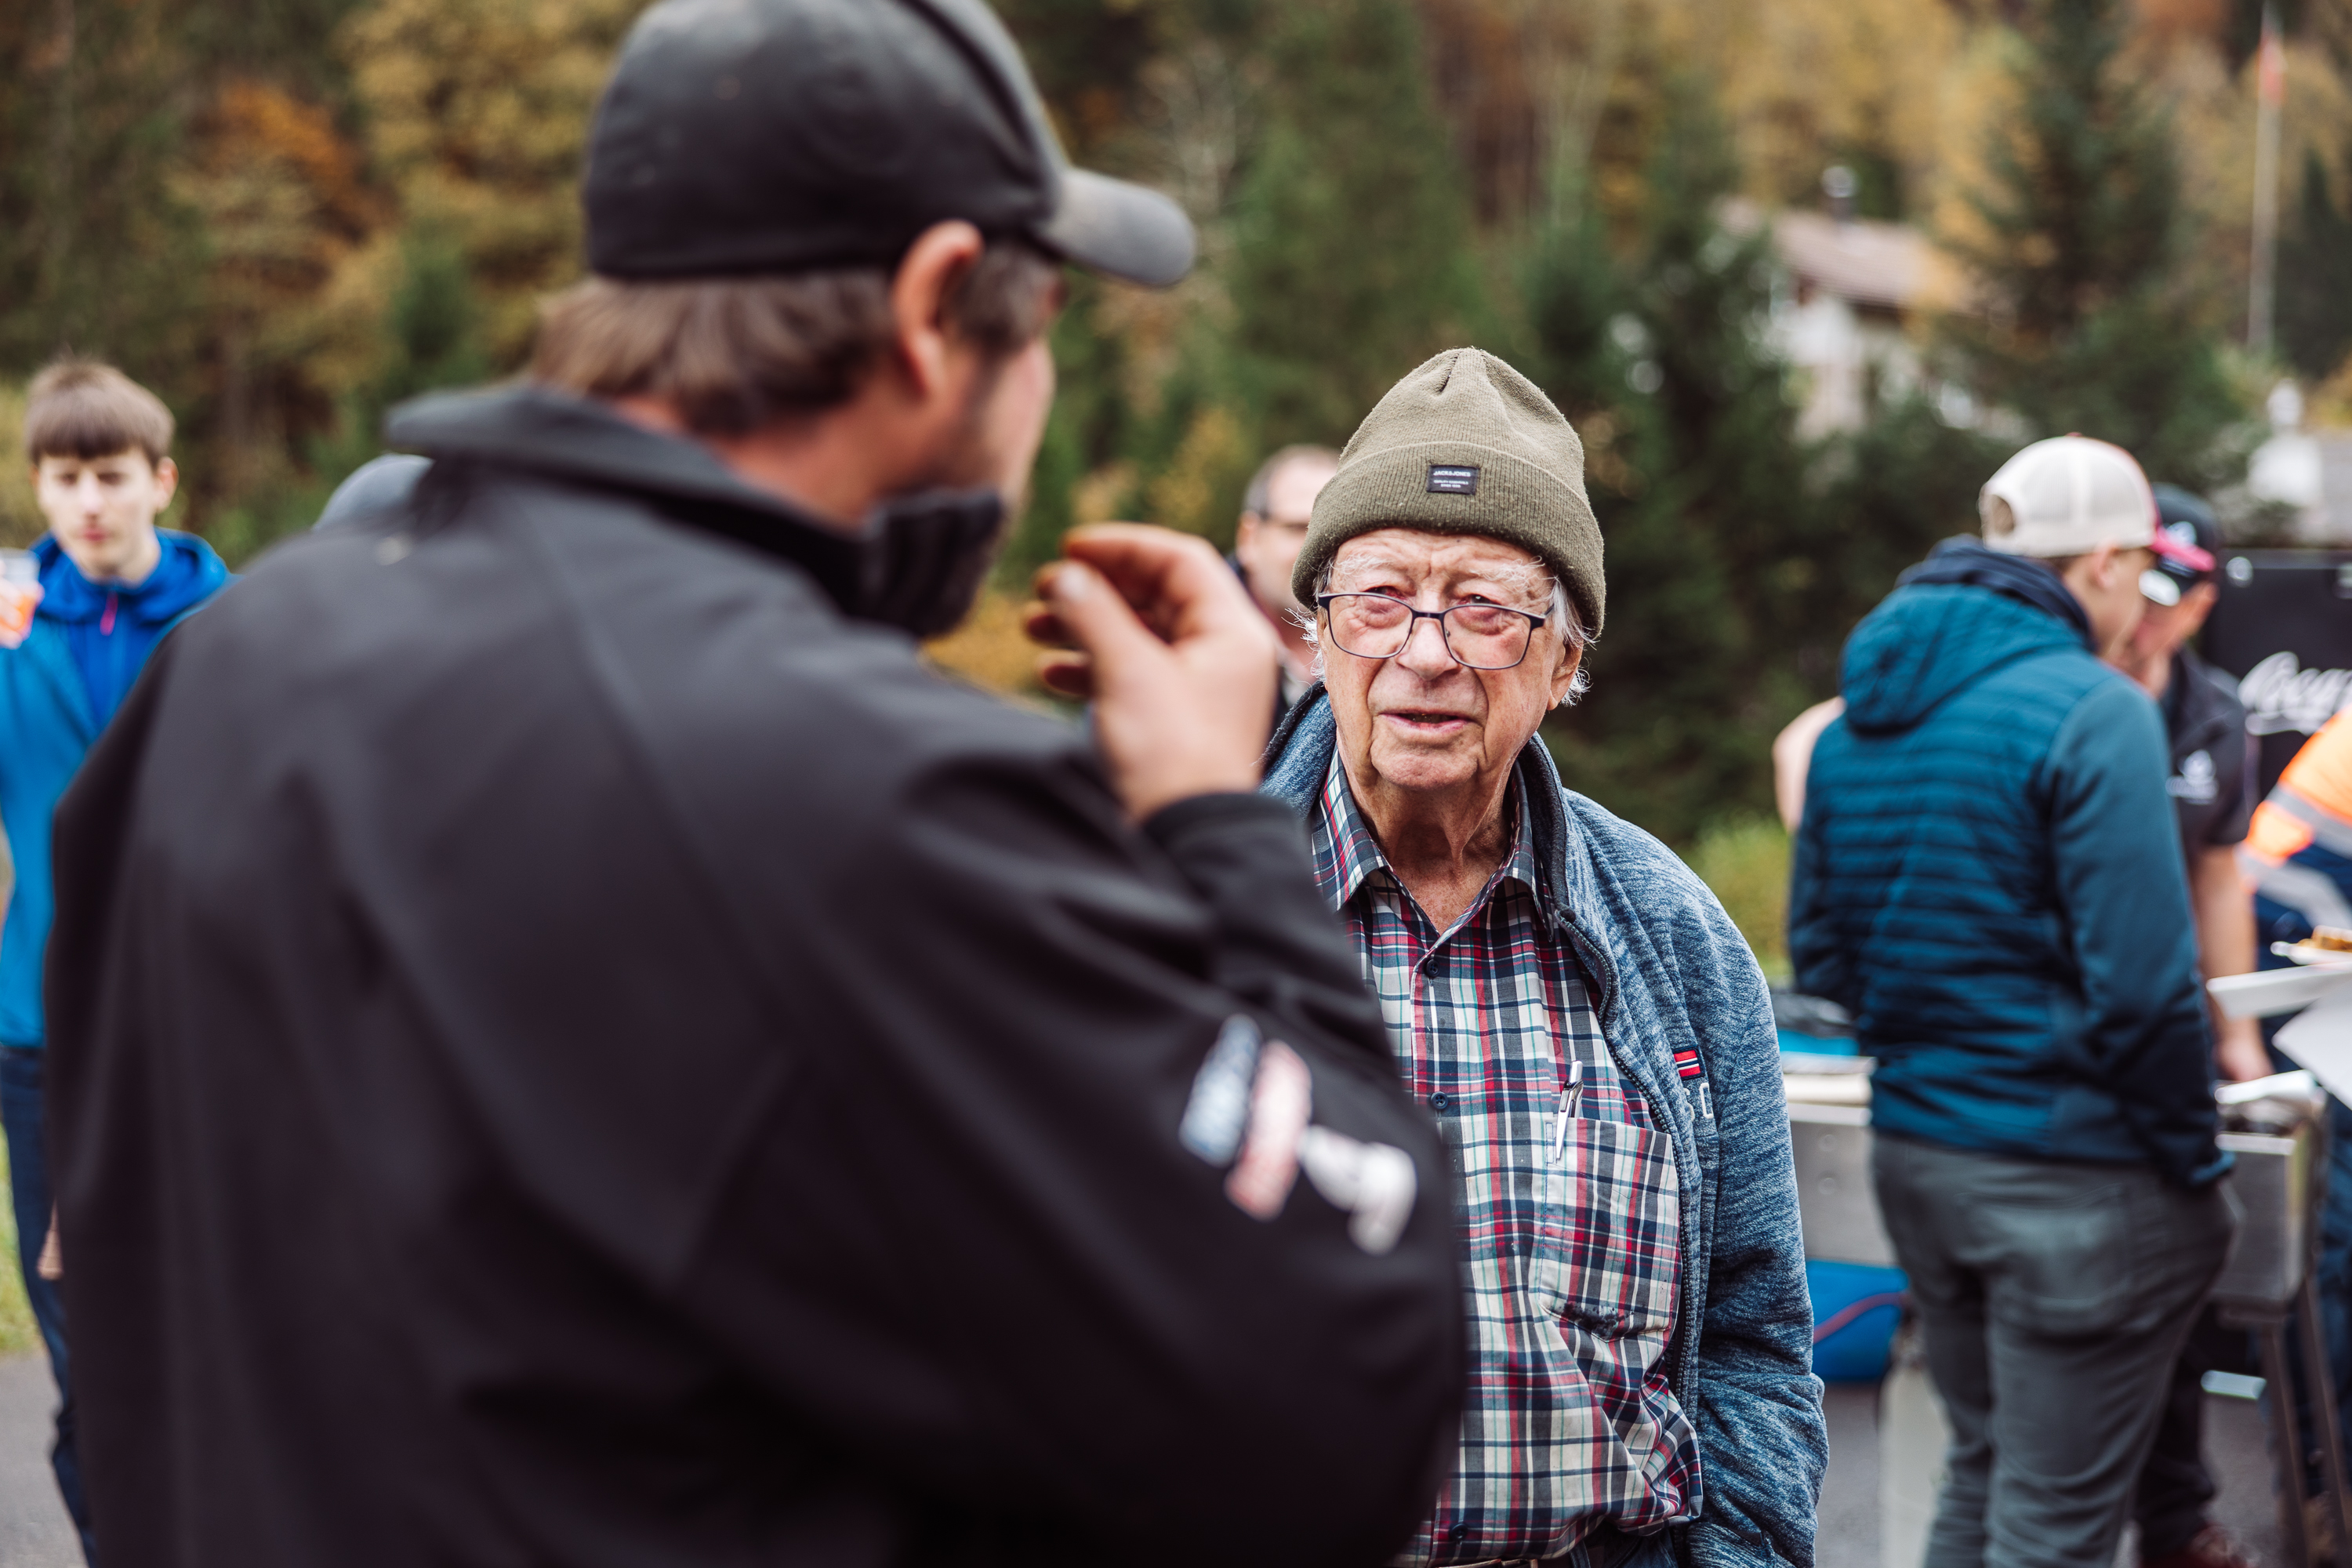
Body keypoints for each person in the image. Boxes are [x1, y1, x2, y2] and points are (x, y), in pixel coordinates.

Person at [42, 3, 1463, 1564]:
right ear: (936, 309)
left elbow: (111, 1277)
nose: (1041, 383)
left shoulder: (228, 674)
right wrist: (1215, 821)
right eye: (1044, 317)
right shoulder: (870, 794)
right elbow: (1355, 1380)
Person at [1260, 348, 1825, 1568]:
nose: (1423, 651)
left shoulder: (1673, 937)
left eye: (1484, 607)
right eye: (1379, 597)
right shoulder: (1181, 912)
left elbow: (1752, 1336)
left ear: (1565, 661)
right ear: (1318, 633)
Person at [1789, 434, 2235, 1568]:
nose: (2143, 609)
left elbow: (1826, 965)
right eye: (2137, 576)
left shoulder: (1857, 719)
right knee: (2058, 1525)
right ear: (2097, 565)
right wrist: (2197, 1173)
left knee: (1980, 1474)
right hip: (2074, 1186)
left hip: (1925, 1164)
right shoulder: (2095, 712)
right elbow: (2145, 994)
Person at [4, 358, 231, 1560]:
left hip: (200, 1031)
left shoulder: (234, 625)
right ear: (38, 488)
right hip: (41, 1042)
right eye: (64, 478)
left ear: (161, 481)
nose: (88, 502)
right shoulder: (6, 636)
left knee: (208, 1318)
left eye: (110, 476)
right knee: (81, 1340)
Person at [1232, 444, 1339, 725]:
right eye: (1297, 529)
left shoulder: (1380, 646)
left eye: (1332, 532)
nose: (1316, 551)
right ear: (1250, 539)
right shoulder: (1186, 646)